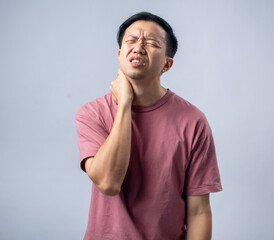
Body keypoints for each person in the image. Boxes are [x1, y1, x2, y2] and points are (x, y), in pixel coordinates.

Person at [75, 11, 223, 240]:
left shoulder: (193, 121)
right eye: (131, 41)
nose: (139, 47)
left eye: (152, 43)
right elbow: (108, 183)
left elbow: (199, 210)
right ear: (120, 54)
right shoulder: (92, 114)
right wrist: (124, 104)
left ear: (167, 64)